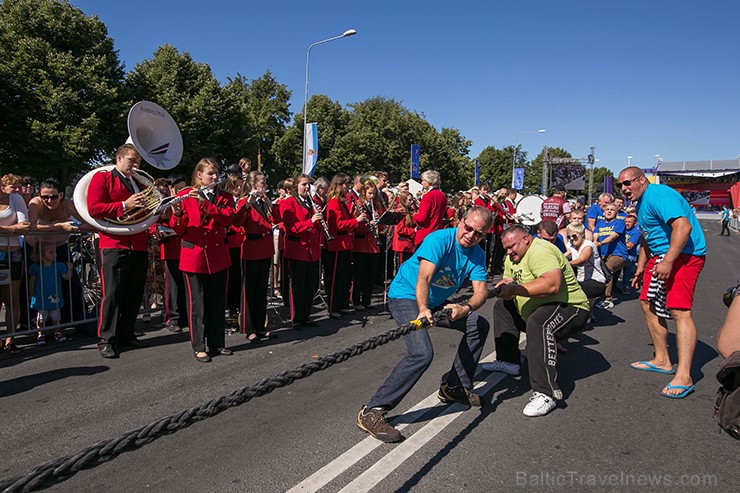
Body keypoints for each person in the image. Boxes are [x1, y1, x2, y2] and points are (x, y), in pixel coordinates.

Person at [357, 206, 493, 443]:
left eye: (478, 233)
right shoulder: (439, 240)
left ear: (484, 235)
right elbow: (424, 277)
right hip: (406, 295)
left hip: (435, 300)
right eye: (468, 227)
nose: (470, 235)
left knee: (477, 325)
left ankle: (454, 386)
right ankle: (372, 411)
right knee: (422, 353)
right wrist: (422, 310)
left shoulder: (477, 254)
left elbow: (481, 290)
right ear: (460, 222)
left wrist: (465, 308)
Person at [482, 225, 590, 417]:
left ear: (526, 239)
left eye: (512, 246)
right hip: (535, 309)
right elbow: (509, 278)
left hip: (570, 307)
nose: (508, 252)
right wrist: (504, 286)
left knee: (539, 323)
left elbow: (552, 284)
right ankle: (509, 361)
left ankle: (546, 392)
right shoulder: (512, 257)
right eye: (505, 248)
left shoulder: (540, 250)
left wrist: (514, 290)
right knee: (502, 307)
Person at [619, 166, 706, 399]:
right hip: (659, 256)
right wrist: (639, 268)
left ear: (641, 180)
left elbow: (683, 226)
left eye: (628, 183)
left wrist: (668, 260)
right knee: (646, 303)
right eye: (620, 185)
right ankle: (662, 359)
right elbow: (649, 238)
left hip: (685, 256)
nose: (624, 189)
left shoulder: (658, 195)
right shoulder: (640, 203)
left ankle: (685, 376)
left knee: (679, 310)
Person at [86, 144, 150, 358]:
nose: (136, 165)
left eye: (138, 162)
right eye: (132, 161)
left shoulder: (139, 182)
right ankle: (106, 338)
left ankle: (126, 333)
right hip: (114, 243)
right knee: (112, 293)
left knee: (134, 292)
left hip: (138, 242)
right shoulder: (102, 178)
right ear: (119, 158)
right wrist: (124, 204)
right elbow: (93, 208)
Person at [170, 158, 235, 362]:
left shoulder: (224, 196)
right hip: (195, 256)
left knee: (217, 302)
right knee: (197, 305)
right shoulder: (185, 195)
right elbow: (178, 228)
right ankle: (199, 346)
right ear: (199, 175)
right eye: (210, 173)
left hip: (217, 256)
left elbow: (227, 218)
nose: (215, 177)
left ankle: (217, 343)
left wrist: (205, 205)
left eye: (216, 173)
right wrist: (178, 215)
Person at [27, 178, 90, 329]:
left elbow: (87, 221)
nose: (49, 200)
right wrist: (59, 225)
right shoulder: (35, 204)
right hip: (37, 249)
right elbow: (32, 226)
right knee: (36, 286)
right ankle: (33, 323)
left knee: (71, 283)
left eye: (53, 197)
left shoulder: (67, 205)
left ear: (61, 195)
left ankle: (73, 319)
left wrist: (76, 227)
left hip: (59, 248)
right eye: (45, 197)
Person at [233, 171, 276, 342]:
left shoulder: (264, 202)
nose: (264, 186)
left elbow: (277, 219)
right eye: (261, 183)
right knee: (248, 291)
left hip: (265, 249)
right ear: (252, 185)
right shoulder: (245, 202)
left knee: (260, 291)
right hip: (251, 249)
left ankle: (260, 326)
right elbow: (236, 222)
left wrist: (268, 203)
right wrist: (247, 204)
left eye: (264, 183)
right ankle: (248, 327)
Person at [281, 173, 322, 328]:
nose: (307, 187)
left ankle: (306, 316)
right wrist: (310, 222)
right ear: (295, 187)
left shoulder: (311, 202)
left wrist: (318, 220)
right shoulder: (289, 202)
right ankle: (297, 318)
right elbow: (291, 228)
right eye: (304, 184)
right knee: (298, 286)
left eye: (308, 184)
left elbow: (315, 228)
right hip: (298, 250)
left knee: (310, 285)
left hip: (311, 251)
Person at [325, 173, 367, 318]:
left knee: (344, 276)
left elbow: (344, 220)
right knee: (336, 277)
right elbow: (337, 224)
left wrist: (353, 214)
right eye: (344, 184)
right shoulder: (334, 201)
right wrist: (356, 220)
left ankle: (342, 304)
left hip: (345, 243)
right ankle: (333, 307)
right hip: (338, 243)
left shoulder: (342, 201)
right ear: (338, 185)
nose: (347, 187)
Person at [0, 173, 30, 353]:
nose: (17, 190)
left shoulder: (16, 199)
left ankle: (10, 338)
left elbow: (24, 225)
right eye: (13, 186)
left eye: (18, 186)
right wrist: (12, 229)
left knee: (11, 298)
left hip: (12, 254)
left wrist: (5, 230)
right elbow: (17, 227)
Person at [159, 175, 188, 332]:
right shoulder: (164, 202)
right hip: (170, 248)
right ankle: (172, 318)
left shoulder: (188, 200)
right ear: (171, 188)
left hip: (185, 248)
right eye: (178, 189)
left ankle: (184, 316)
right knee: (173, 286)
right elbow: (155, 222)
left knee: (185, 284)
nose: (181, 192)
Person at [28, 243, 73, 344]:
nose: (55, 254)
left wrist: (70, 269)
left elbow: (67, 277)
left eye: (55, 252)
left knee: (56, 315)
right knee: (41, 317)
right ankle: (41, 334)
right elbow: (32, 280)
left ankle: (57, 332)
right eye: (51, 252)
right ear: (42, 254)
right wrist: (31, 294)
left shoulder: (59, 265)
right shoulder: (36, 267)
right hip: (40, 296)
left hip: (55, 295)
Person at [351, 180, 381, 311]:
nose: (372, 196)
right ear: (363, 192)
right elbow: (355, 226)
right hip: (361, 244)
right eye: (370, 193)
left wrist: (378, 221)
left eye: (374, 193)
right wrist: (368, 225)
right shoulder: (357, 205)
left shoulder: (375, 205)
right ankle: (356, 300)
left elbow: (379, 225)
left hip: (373, 244)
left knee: (370, 274)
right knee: (359, 274)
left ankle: (367, 300)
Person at [593, 203, 627, 309]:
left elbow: (613, 236)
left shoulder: (619, 222)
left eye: (612, 210)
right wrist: (594, 242)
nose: (609, 211)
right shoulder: (599, 224)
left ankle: (607, 300)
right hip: (603, 255)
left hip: (619, 254)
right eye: (607, 209)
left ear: (616, 213)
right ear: (603, 212)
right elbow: (595, 235)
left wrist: (600, 243)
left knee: (607, 269)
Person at [412, 170, 447, 247]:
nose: (421, 182)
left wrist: (413, 215)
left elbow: (421, 219)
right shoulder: (442, 195)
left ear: (429, 181)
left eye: (423, 180)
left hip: (425, 234)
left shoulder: (428, 196)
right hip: (437, 233)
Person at [391, 190, 416, 268]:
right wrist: (414, 231)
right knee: (402, 268)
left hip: (408, 245)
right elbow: (400, 230)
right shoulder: (400, 212)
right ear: (403, 200)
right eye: (409, 200)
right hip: (402, 245)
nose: (411, 202)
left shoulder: (409, 211)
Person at [618, 214, 641, 294]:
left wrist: (619, 245)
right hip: (619, 253)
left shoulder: (636, 231)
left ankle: (625, 285)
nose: (627, 223)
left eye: (629, 222)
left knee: (627, 265)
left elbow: (630, 246)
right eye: (626, 221)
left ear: (634, 224)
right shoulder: (621, 229)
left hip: (630, 255)